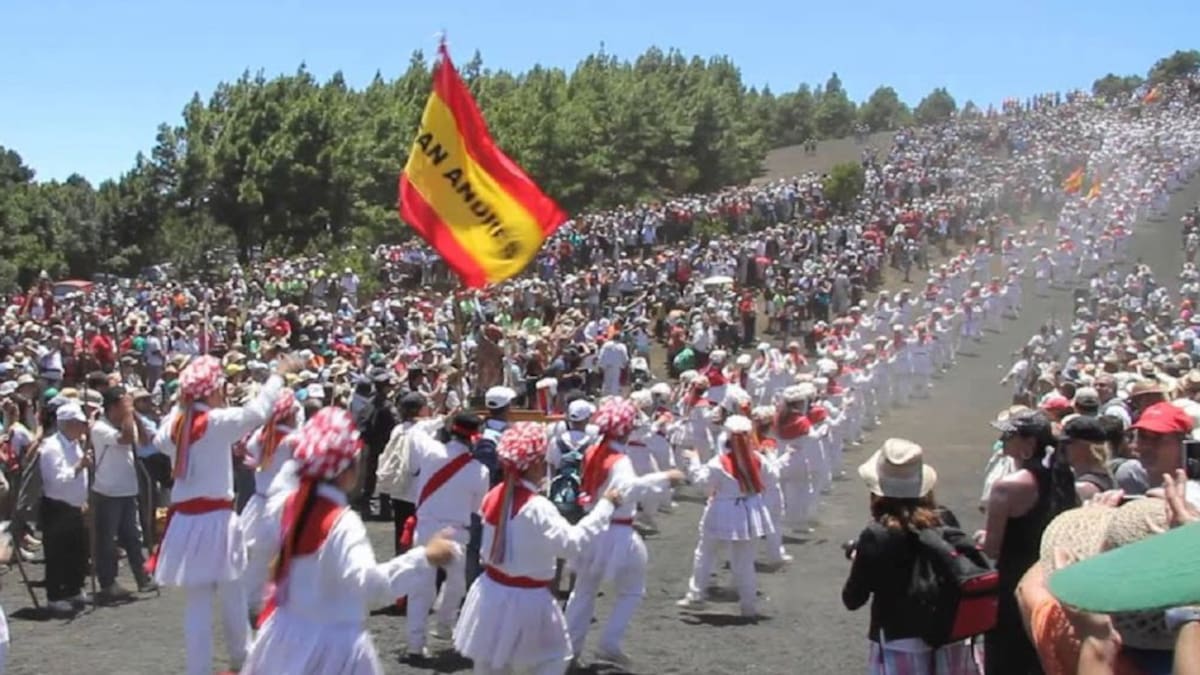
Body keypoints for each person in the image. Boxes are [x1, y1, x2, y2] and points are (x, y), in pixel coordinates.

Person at [240, 407, 460, 675]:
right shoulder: (343, 523)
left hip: (283, 634)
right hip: (333, 648)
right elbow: (369, 585)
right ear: (347, 470)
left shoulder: (284, 506)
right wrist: (424, 556)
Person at [151, 354, 296, 675]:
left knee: (203, 599)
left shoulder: (175, 426)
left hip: (187, 522)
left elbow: (160, 440)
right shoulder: (216, 423)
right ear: (211, 391)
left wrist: (181, 404)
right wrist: (277, 375)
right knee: (230, 590)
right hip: (215, 519)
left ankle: (207, 667)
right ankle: (241, 658)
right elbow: (258, 411)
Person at [453, 422, 621, 675]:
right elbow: (572, 544)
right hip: (527, 599)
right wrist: (605, 507)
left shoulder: (496, 493)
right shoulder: (537, 507)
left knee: (489, 666)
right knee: (550, 661)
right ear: (533, 464)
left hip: (491, 591)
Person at [564, 397, 683, 669]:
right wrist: (664, 478)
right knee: (631, 591)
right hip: (617, 530)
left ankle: (570, 649)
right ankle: (610, 642)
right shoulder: (619, 460)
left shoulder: (594, 450)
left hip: (594, 528)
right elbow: (627, 490)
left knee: (583, 591)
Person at [841, 438, 976, 673]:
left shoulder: (877, 534)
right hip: (948, 633)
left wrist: (862, 561)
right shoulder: (944, 519)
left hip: (899, 639)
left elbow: (853, 599)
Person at [978, 409, 1078, 675]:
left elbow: (992, 548)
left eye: (1009, 435)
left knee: (1008, 658)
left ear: (1028, 444)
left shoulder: (1007, 487)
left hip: (1014, 582)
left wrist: (982, 538)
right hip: (1052, 578)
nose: (1002, 439)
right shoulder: (1063, 478)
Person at [403, 413, 490, 658]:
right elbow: (477, 508)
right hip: (456, 533)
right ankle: (444, 625)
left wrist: (440, 419)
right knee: (456, 584)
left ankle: (415, 644)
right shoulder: (479, 470)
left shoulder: (430, 451)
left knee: (421, 587)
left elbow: (414, 431)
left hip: (425, 528)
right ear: (474, 438)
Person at [678, 414, 777, 616]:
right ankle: (748, 605)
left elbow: (701, 482)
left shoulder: (718, 463)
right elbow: (772, 476)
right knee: (744, 560)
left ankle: (696, 595)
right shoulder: (758, 459)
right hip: (750, 511)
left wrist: (693, 461)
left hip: (722, 510)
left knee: (705, 552)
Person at [90, 385, 157, 598]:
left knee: (134, 537)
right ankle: (108, 583)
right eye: (124, 404)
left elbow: (145, 440)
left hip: (128, 490)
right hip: (108, 491)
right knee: (108, 541)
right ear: (112, 407)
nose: (128, 408)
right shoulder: (100, 428)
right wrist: (129, 415)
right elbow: (125, 439)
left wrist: (135, 415)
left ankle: (143, 577)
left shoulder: (127, 423)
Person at [240, 387, 299, 615]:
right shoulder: (294, 439)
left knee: (258, 558)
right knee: (288, 555)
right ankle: (282, 602)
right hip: (284, 505)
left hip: (259, 503)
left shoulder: (259, 437)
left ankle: (252, 603)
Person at [38, 402, 92, 613]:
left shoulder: (75, 444)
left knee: (75, 550)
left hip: (74, 506)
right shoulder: (51, 448)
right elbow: (57, 480)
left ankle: (73, 588)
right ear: (68, 424)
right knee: (57, 553)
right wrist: (80, 466)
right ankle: (55, 595)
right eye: (79, 424)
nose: (82, 427)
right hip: (57, 507)